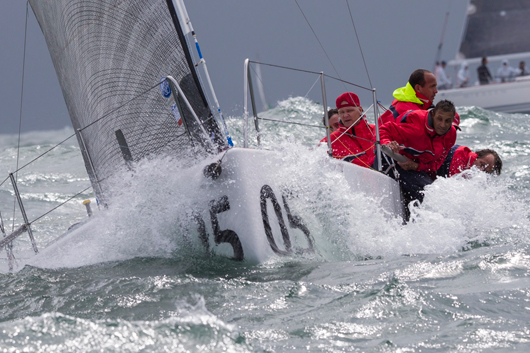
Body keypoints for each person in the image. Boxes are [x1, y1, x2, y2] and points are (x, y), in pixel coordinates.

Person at [380, 100, 457, 203]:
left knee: (435, 192)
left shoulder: (451, 134)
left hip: (415, 166)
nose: (443, 125)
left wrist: (416, 166)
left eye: (447, 121)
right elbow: (384, 129)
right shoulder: (415, 127)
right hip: (393, 159)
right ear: (433, 114)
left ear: (452, 120)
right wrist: (388, 143)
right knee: (423, 193)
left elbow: (437, 163)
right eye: (439, 119)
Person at [320, 92, 376, 168]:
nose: (345, 115)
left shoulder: (377, 131)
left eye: (349, 111)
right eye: (341, 112)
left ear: (360, 109)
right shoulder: (329, 141)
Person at [437, 146, 502, 177]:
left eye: (486, 171)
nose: (481, 170)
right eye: (482, 165)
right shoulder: (458, 157)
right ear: (476, 156)